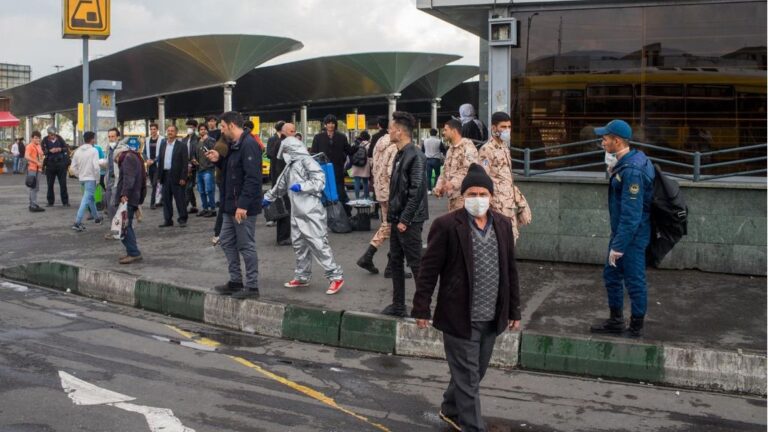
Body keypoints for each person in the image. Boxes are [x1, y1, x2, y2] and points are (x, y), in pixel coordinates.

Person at [413, 163, 521, 432]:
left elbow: (510, 271)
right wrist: (422, 307)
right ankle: (473, 427)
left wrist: (514, 311)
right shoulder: (447, 225)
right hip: (459, 315)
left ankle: (450, 407)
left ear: (491, 196)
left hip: (492, 315)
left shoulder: (504, 225)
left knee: (475, 372)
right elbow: (428, 271)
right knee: (469, 377)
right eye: (471, 193)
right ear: (463, 196)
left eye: (482, 193)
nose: (477, 198)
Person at [590, 119, 654, 338]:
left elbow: (632, 214)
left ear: (616, 141)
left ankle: (636, 327)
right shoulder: (627, 162)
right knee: (611, 275)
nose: (602, 142)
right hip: (622, 233)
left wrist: (618, 246)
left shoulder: (633, 170)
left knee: (634, 279)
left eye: (605, 139)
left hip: (632, 236)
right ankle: (616, 320)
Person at [263, 137, 345, 295]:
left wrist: (302, 186)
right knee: (300, 245)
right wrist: (268, 197)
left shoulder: (308, 161)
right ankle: (302, 276)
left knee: (318, 244)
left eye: (286, 151)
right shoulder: (291, 164)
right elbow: (280, 185)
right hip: (297, 211)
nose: (285, 154)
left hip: (311, 211)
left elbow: (320, 181)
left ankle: (336, 277)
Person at [206, 111, 262, 300]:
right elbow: (232, 171)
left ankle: (252, 286)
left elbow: (253, 178)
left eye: (222, 126)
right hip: (230, 205)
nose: (221, 130)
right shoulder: (234, 145)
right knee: (227, 241)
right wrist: (219, 160)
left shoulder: (249, 145)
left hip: (242, 207)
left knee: (246, 245)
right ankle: (236, 281)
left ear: (231, 125)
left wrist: (243, 205)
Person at [382, 111, 428, 317]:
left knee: (416, 264)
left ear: (400, 132)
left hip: (409, 220)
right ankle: (398, 305)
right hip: (397, 218)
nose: (389, 131)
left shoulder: (415, 155)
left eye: (391, 129)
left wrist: (405, 219)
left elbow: (416, 189)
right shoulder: (401, 154)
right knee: (396, 262)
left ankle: (422, 308)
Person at [478, 112, 532, 242]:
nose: (507, 130)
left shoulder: (504, 148)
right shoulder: (487, 150)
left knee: (510, 241)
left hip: (508, 204)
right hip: (496, 206)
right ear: (494, 128)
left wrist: (521, 202)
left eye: (509, 127)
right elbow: (483, 180)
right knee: (499, 243)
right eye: (503, 127)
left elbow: (507, 179)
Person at [114, 138, 147, 264]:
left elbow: (129, 178)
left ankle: (134, 253)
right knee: (126, 226)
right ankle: (131, 251)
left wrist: (124, 194)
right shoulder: (134, 157)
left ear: (119, 153)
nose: (117, 162)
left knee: (124, 226)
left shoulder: (128, 158)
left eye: (116, 159)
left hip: (128, 197)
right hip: (133, 196)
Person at [434, 119, 477, 212]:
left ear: (454, 131)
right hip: (452, 198)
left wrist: (452, 184)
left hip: (464, 197)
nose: (443, 133)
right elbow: (444, 171)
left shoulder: (467, 146)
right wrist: (439, 187)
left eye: (445, 130)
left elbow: (469, 169)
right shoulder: (450, 149)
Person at [311, 114, 352, 206]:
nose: (331, 125)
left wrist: (357, 147)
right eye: (328, 123)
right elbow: (313, 153)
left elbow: (348, 150)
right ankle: (326, 212)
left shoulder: (341, 137)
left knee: (339, 191)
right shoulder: (318, 137)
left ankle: (344, 213)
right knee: (324, 191)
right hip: (323, 168)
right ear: (325, 125)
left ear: (335, 124)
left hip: (337, 168)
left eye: (333, 123)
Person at [156, 125, 189, 228]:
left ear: (176, 133)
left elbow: (185, 163)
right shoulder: (163, 145)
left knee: (180, 199)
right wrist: (159, 176)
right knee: (166, 199)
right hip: (165, 175)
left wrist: (183, 177)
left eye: (172, 131)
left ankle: (182, 218)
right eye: (168, 131)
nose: (170, 132)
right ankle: (168, 219)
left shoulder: (182, 145)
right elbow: (160, 161)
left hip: (177, 176)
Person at [70, 131, 103, 231]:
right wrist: (98, 179)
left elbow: (72, 167)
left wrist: (79, 175)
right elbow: (96, 167)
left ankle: (97, 218)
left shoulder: (78, 151)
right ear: (92, 139)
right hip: (91, 178)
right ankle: (77, 222)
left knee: (90, 199)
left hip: (82, 179)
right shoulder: (94, 151)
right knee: (86, 200)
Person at [266, 121, 292, 245]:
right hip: (282, 180)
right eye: (291, 131)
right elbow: (280, 164)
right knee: (285, 208)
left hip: (280, 179)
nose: (294, 133)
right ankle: (283, 237)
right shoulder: (281, 143)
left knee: (284, 208)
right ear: (283, 131)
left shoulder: (282, 142)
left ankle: (283, 236)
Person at [42, 126, 70, 207]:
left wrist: (60, 149)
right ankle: (50, 201)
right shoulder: (44, 140)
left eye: (54, 134)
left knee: (63, 183)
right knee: (50, 184)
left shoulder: (60, 138)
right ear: (48, 134)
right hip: (50, 164)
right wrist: (49, 151)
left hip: (61, 163)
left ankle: (65, 201)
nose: (53, 136)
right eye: (51, 135)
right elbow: (42, 151)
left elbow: (66, 148)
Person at [195, 124, 217, 217]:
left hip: (208, 169)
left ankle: (212, 209)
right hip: (199, 169)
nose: (202, 131)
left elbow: (213, 153)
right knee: (201, 190)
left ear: (207, 130)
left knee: (209, 190)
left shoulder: (211, 140)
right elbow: (196, 153)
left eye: (204, 129)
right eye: (200, 129)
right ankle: (205, 208)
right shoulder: (197, 141)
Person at [143, 123, 163, 210]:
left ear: (157, 130)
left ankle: (152, 203)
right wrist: (147, 159)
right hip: (150, 166)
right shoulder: (147, 140)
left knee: (155, 184)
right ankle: (162, 200)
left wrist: (154, 160)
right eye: (151, 129)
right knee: (153, 184)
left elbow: (162, 152)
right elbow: (144, 152)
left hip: (158, 165)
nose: (153, 131)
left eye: (154, 129)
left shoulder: (162, 139)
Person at [25, 131, 45, 213]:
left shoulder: (39, 146)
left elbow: (41, 155)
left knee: (36, 187)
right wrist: (36, 162)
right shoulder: (30, 146)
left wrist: (42, 161)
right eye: (36, 138)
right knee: (33, 187)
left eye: (39, 138)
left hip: (39, 169)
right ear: (32, 138)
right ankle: (33, 205)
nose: (38, 139)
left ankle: (33, 204)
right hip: (33, 169)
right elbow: (26, 156)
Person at [183, 119, 200, 215]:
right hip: (185, 166)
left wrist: (193, 162)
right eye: (188, 126)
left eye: (191, 127)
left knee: (189, 187)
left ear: (195, 128)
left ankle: (184, 205)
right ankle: (194, 205)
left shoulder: (197, 139)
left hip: (194, 166)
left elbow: (197, 152)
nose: (189, 128)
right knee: (187, 186)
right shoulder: (184, 139)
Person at [350, 131, 372, 200]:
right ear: (368, 137)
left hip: (356, 165)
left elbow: (351, 153)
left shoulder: (356, 144)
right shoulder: (369, 145)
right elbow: (370, 156)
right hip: (365, 165)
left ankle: (357, 198)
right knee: (365, 182)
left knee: (357, 182)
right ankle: (366, 197)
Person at [422, 128, 443, 194]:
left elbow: (422, 150)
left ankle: (429, 190)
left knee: (428, 176)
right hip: (436, 160)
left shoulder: (425, 141)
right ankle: (435, 188)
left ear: (429, 133)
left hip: (427, 160)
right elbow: (443, 150)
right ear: (436, 134)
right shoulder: (439, 141)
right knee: (437, 175)